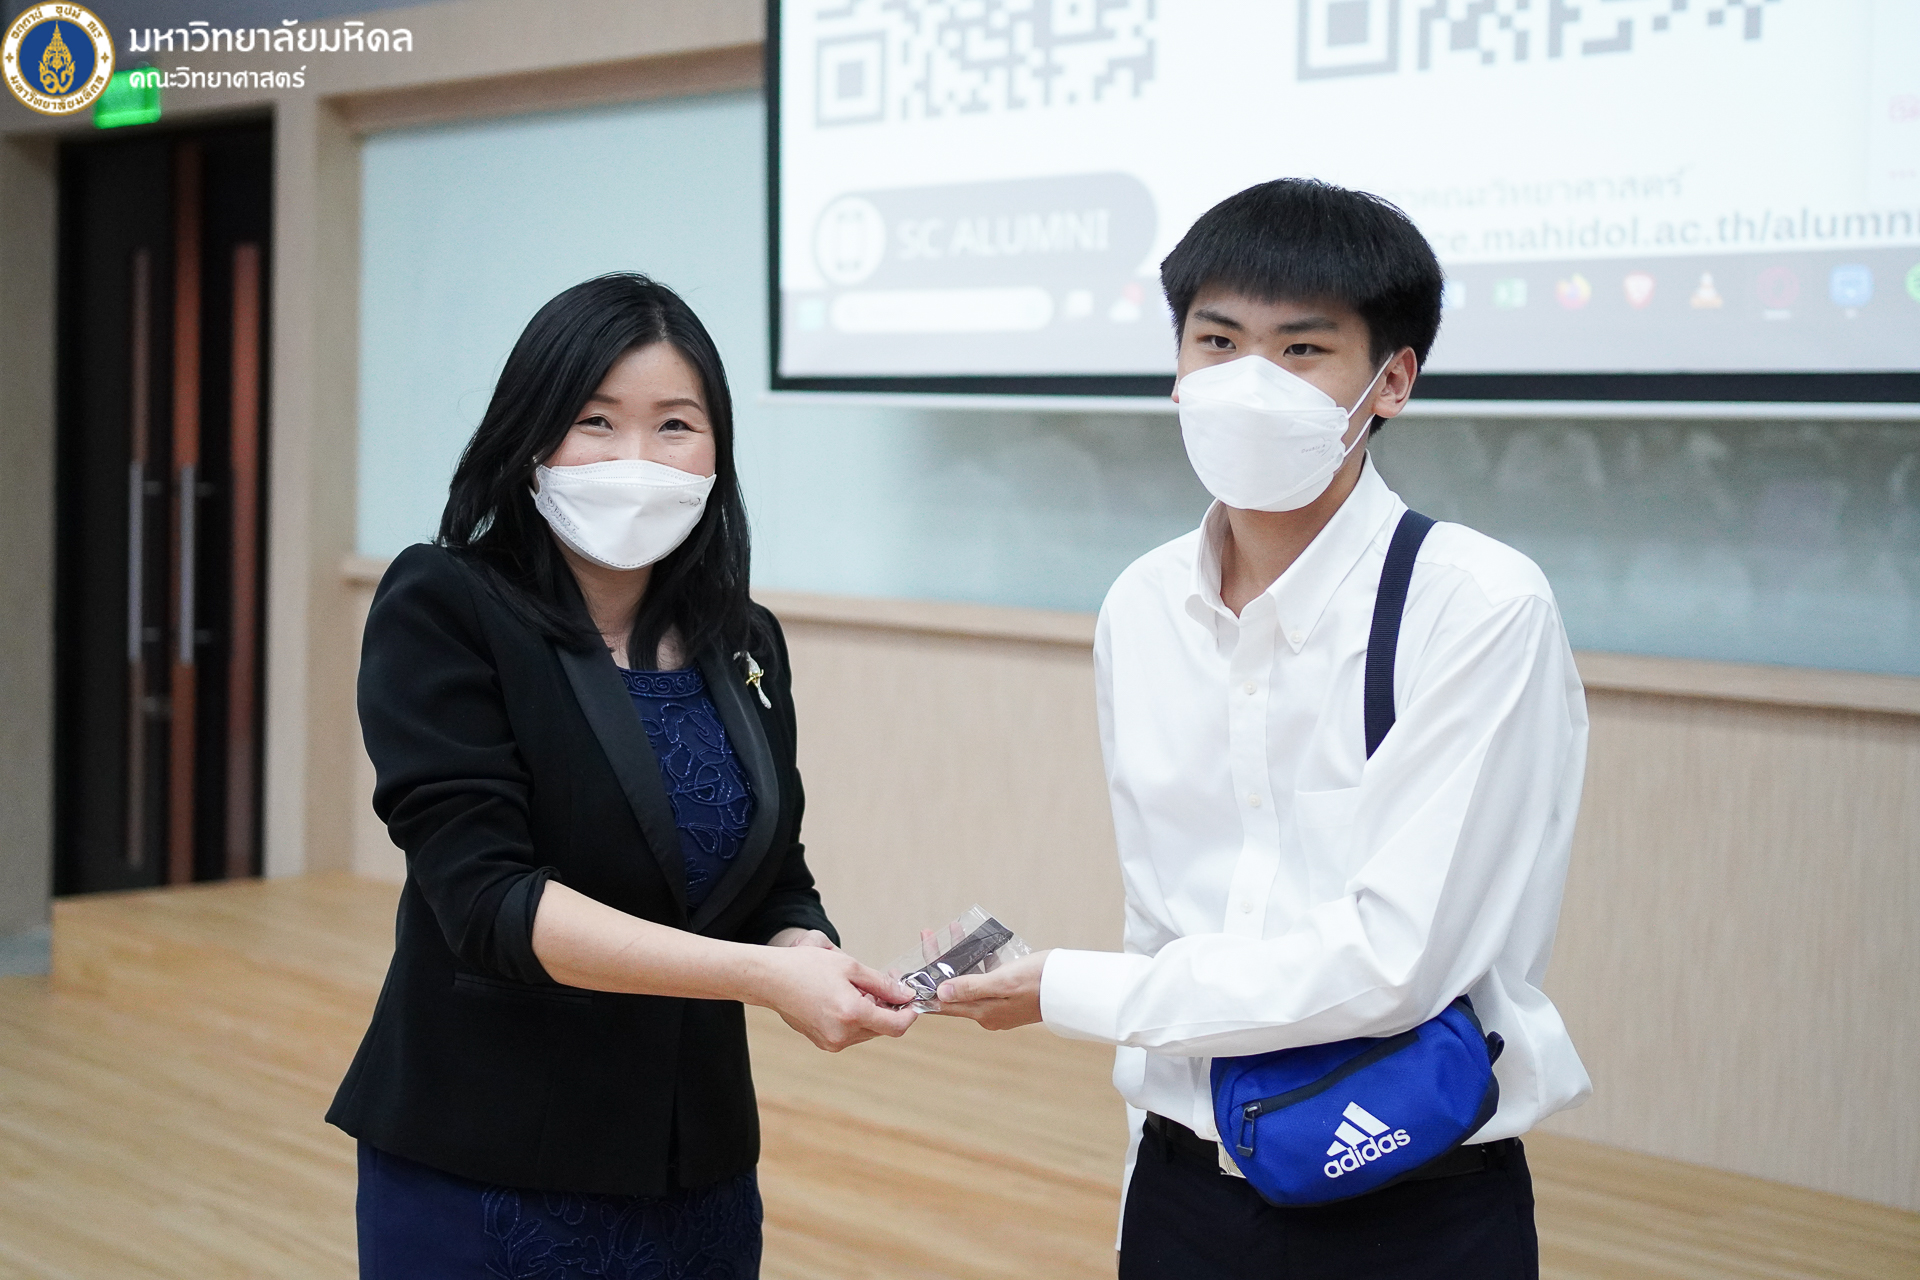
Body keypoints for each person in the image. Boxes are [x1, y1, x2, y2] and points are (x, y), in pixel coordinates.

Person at [934, 180, 1592, 1278]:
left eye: (1301, 350)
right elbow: (1164, 917)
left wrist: (1066, 989)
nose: (1250, 381)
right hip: (1186, 1179)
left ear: (1392, 381)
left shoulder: (1478, 605)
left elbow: (1394, 963)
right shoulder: (1143, 603)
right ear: (1176, 364)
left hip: (1407, 1185)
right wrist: (1144, 1186)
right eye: (1218, 341)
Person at [327, 273, 916, 1278]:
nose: (636, 458)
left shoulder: (743, 637)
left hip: (696, 1170)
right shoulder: (447, 602)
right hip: (489, 1163)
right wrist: (765, 977)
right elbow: (490, 903)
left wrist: (815, 953)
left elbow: (773, 874)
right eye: (594, 421)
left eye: (675, 425)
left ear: (718, 450)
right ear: (529, 437)